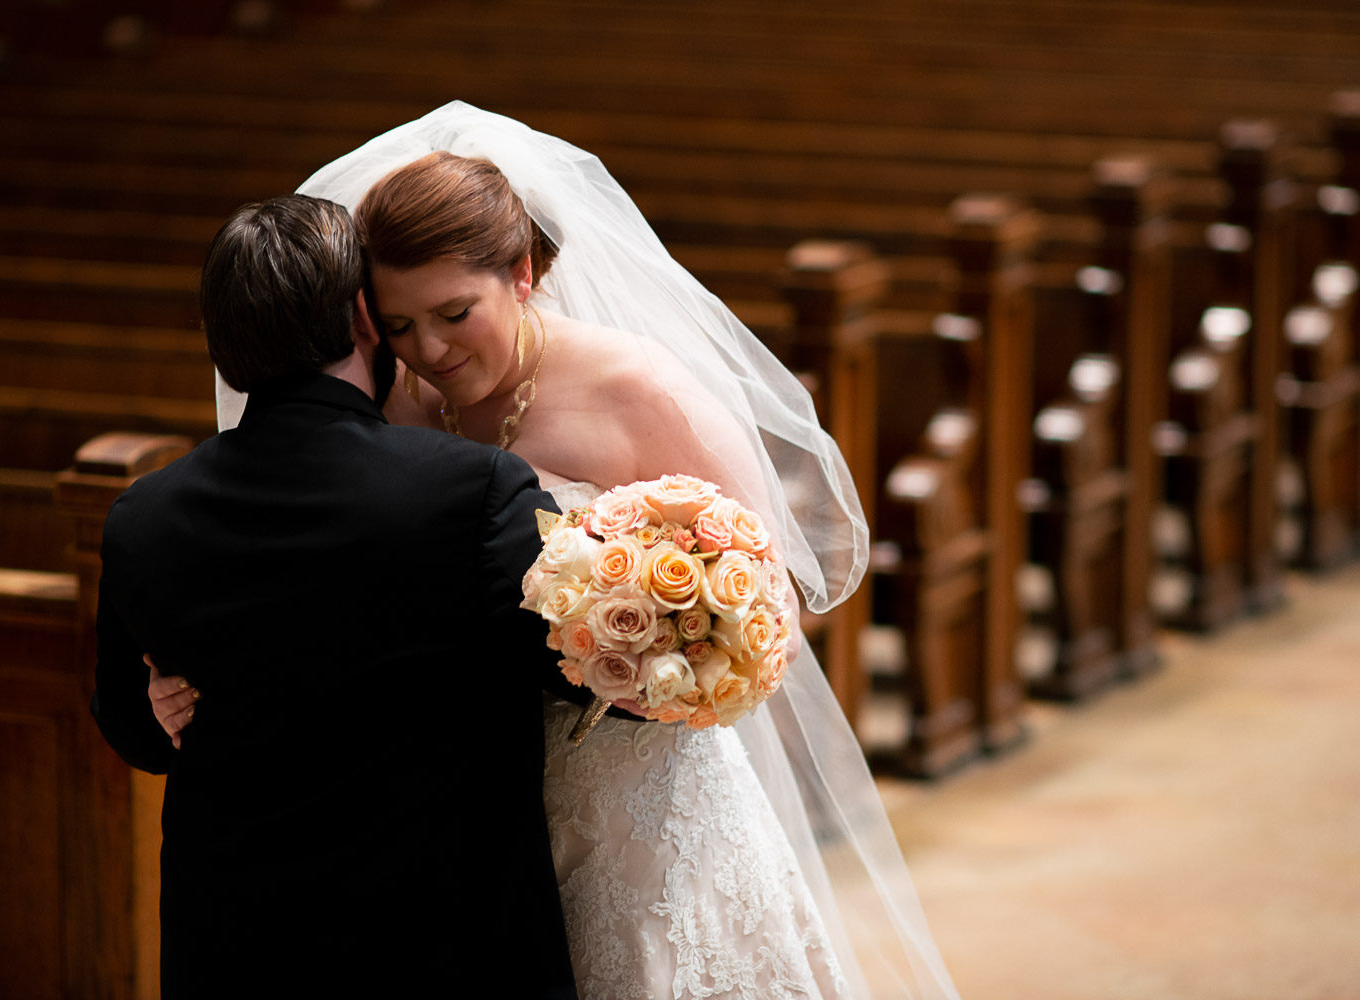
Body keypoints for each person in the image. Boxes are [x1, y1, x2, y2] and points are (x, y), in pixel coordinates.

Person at [173, 103, 961, 999]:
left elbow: (762, 599)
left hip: (637, 796)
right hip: (462, 812)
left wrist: (650, 654)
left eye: (453, 313)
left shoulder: (641, 392)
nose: (427, 350)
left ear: (522, 273)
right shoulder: (393, 402)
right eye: (395, 325)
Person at [92, 194, 581, 999]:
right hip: (444, 941)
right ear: (363, 315)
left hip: (233, 946)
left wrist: (163, 704)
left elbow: (135, 732)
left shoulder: (141, 516)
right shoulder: (475, 490)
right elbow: (579, 672)